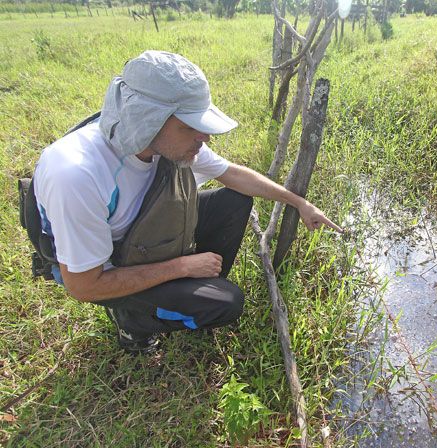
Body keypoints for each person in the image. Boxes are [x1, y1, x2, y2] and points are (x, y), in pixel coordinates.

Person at [33, 50, 342, 354]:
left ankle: (190, 289)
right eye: (191, 126)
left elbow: (233, 175)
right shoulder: (77, 174)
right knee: (226, 303)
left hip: (141, 233)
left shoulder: (164, 141)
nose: (204, 137)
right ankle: (132, 321)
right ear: (148, 118)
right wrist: (181, 267)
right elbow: (84, 285)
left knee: (235, 200)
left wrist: (298, 202)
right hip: (105, 264)